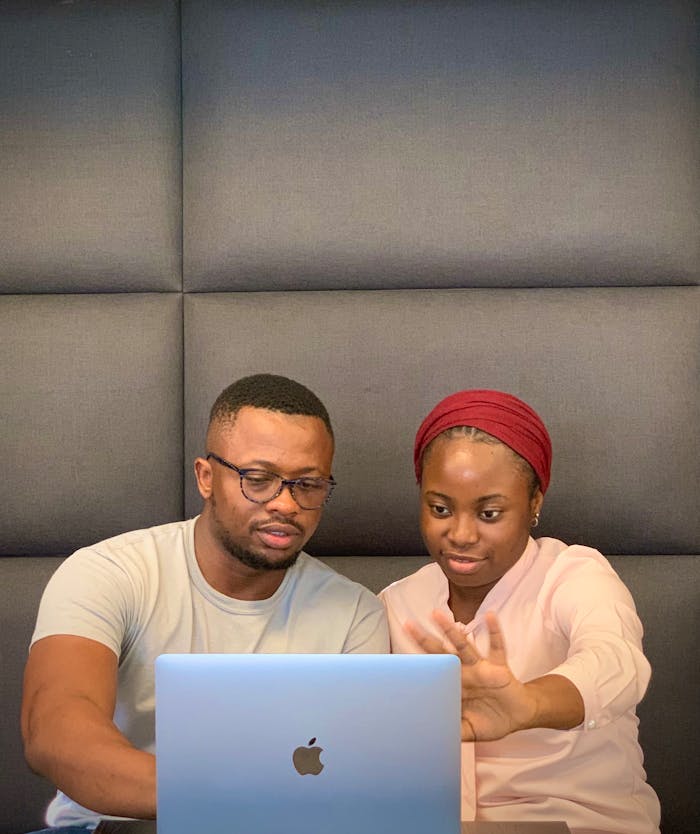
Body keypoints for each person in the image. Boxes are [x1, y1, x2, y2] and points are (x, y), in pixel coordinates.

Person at [21, 373, 389, 831]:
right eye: (259, 479)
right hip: (110, 827)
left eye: (308, 485)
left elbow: (357, 777)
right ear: (206, 477)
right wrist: (216, 800)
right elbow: (54, 729)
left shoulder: (357, 614)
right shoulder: (108, 572)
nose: (286, 504)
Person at [380, 389, 661, 834]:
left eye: (490, 513)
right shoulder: (396, 604)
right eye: (439, 509)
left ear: (534, 504)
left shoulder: (574, 575)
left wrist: (528, 705)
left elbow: (618, 663)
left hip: (579, 823)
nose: (461, 534)